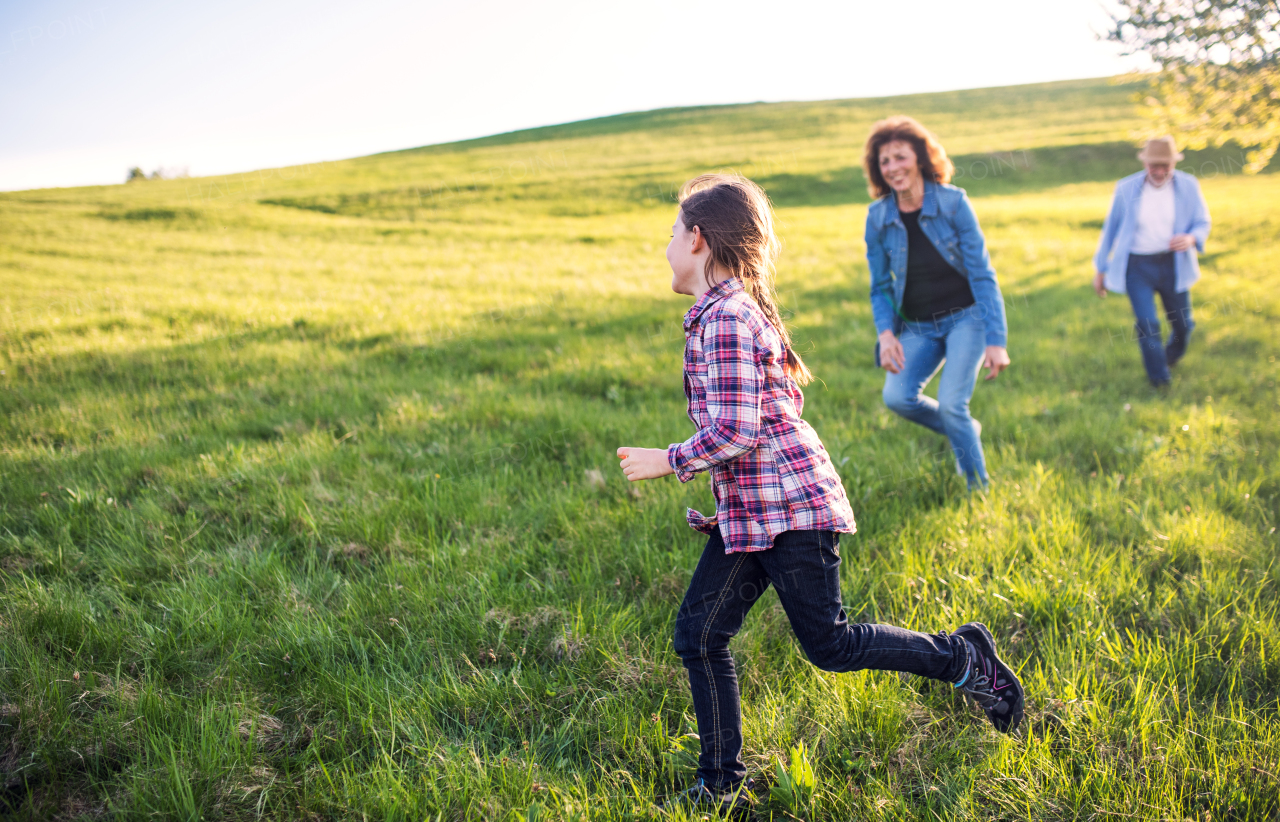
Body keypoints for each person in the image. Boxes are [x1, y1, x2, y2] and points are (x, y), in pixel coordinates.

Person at [616, 173, 1024, 814]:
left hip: (791, 513)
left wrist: (667, 460)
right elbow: (768, 411)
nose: (665, 246)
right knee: (700, 634)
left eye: (670, 234)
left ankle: (962, 658)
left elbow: (737, 429)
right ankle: (721, 784)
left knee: (829, 645)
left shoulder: (725, 318)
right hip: (755, 514)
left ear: (697, 240)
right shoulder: (724, 313)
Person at [864, 117, 1009, 490]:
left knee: (952, 404)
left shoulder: (953, 202)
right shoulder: (878, 217)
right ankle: (964, 430)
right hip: (917, 326)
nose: (893, 167)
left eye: (900, 157)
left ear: (920, 158)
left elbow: (982, 273)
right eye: (885, 161)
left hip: (967, 319)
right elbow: (880, 286)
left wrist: (997, 340)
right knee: (896, 397)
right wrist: (886, 335)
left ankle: (978, 489)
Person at [1093, 136, 1211, 388]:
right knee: (1148, 323)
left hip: (1174, 264)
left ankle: (1170, 356)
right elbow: (1110, 229)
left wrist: (1191, 238)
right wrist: (1100, 268)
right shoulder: (1126, 188)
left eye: (1164, 166)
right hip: (1137, 267)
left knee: (1183, 325)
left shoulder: (1188, 186)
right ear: (1145, 163)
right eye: (1153, 165)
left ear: (1173, 163)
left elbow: (1203, 221)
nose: (1158, 171)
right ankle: (1159, 379)